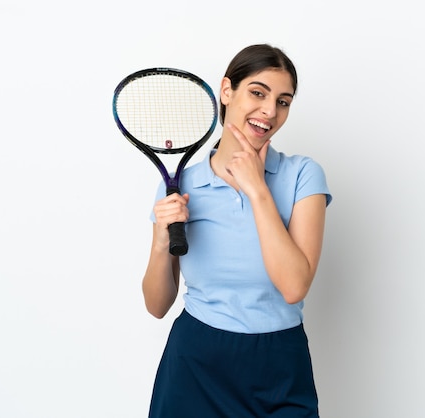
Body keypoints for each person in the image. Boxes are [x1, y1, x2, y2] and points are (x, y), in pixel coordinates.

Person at [142, 44, 332, 418]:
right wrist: (162, 239)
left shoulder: (303, 175)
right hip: (196, 363)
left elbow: (294, 287)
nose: (269, 111)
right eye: (257, 93)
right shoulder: (183, 186)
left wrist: (258, 188)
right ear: (227, 91)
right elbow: (157, 304)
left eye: (283, 101)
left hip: (280, 363)